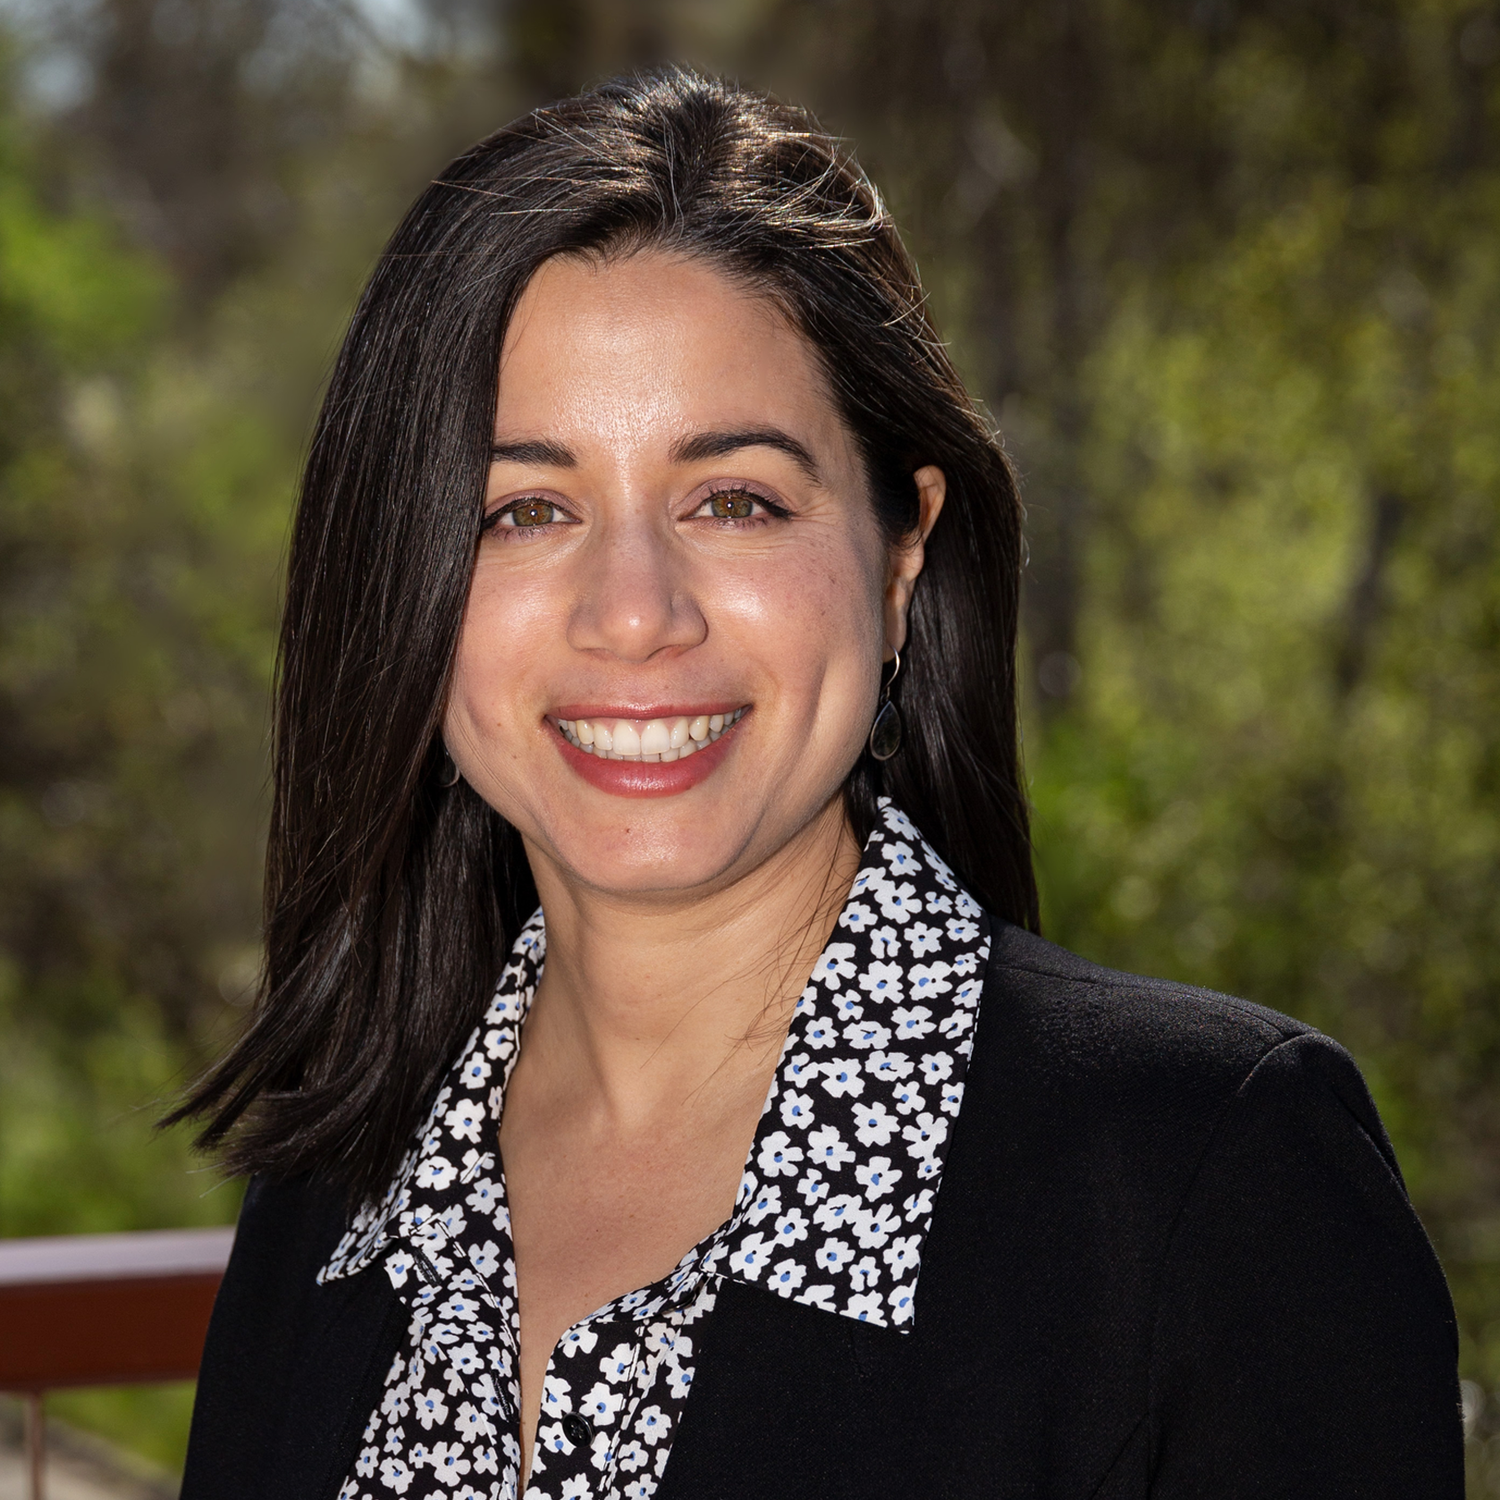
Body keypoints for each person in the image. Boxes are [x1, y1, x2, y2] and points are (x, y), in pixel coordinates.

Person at [175, 69, 1463, 1500]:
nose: (635, 610)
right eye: (524, 510)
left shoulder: (1210, 1186)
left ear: (902, 550)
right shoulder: (339, 1188)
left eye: (735, 499)